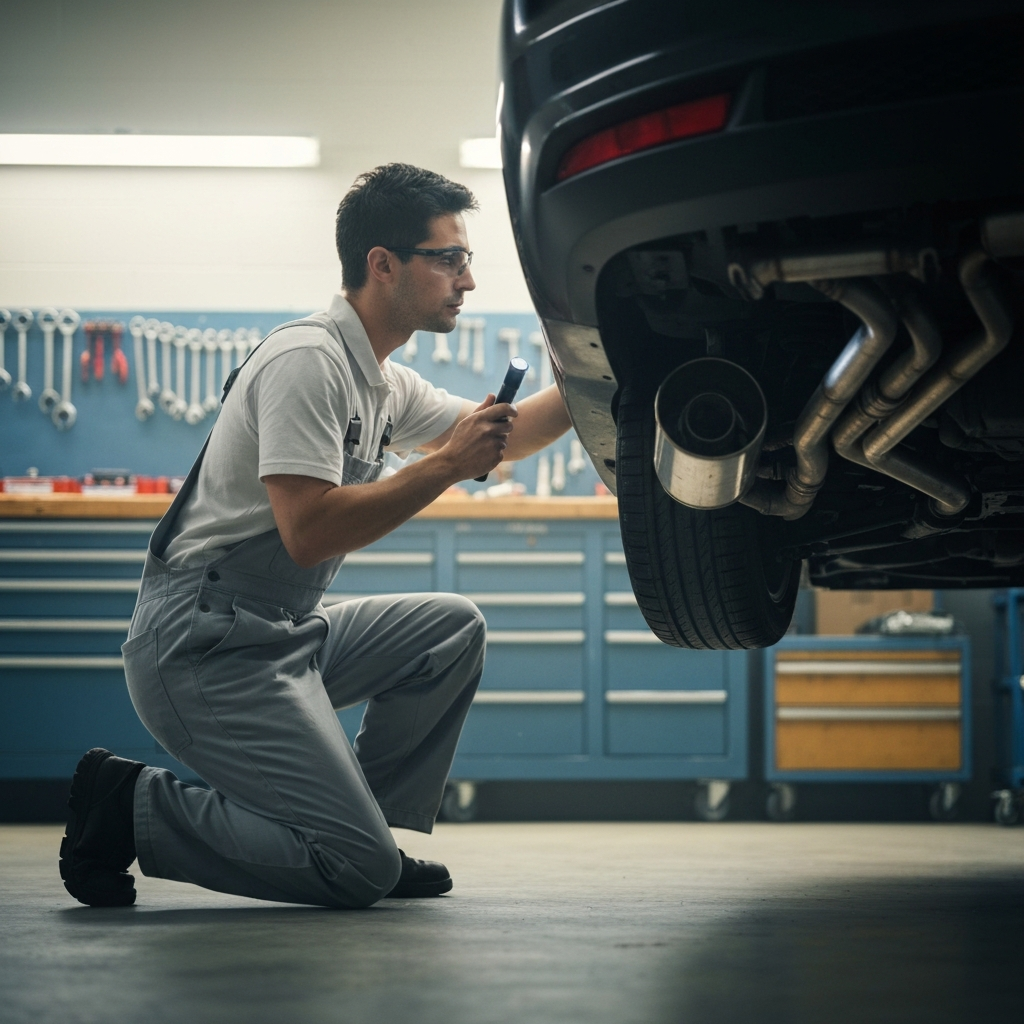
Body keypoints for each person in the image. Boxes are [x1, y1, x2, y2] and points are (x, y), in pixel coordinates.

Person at [59, 163, 572, 909]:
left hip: (277, 633)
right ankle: (131, 806)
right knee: (350, 872)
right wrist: (446, 468)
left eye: (468, 260)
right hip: (201, 646)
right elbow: (307, 534)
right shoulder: (310, 361)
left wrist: (603, 371)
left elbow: (509, 432)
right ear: (383, 264)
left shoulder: (381, 379)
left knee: (450, 629)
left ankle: (364, 827)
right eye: (449, 258)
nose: (466, 280)